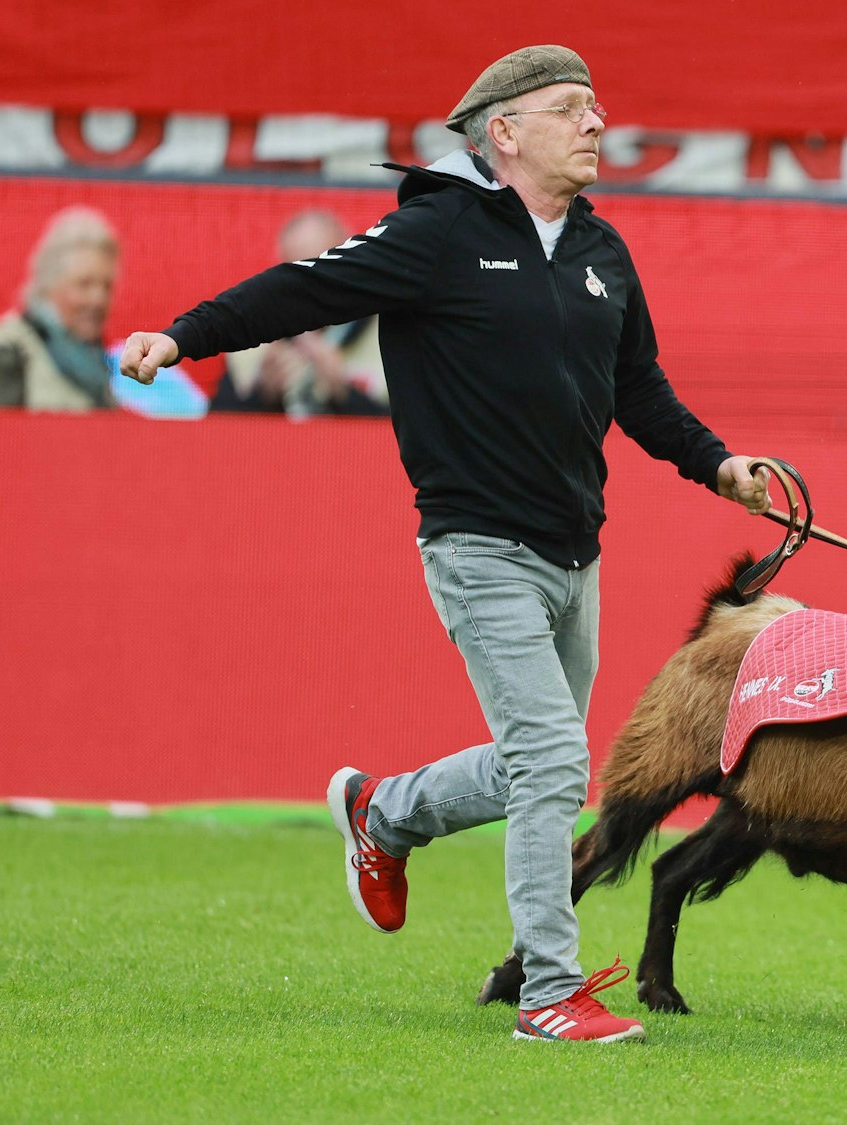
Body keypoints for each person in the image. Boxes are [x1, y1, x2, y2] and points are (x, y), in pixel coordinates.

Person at [119, 44, 771, 1042]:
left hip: (574, 555)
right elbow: (305, 286)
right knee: (555, 762)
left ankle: (385, 814)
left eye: (597, 109)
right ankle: (550, 992)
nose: (598, 125)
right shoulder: (436, 231)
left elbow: (639, 394)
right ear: (503, 133)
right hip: (478, 549)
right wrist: (183, 335)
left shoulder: (601, 253)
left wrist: (717, 466)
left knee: (536, 766)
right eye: (571, 109)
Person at [0, 206, 121, 411]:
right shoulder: (5, 356)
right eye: (84, 285)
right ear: (48, 285)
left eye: (107, 286)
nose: (99, 299)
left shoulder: (97, 366)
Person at [210, 209, 391, 418]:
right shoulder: (254, 338)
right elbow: (217, 429)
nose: (315, 289)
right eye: (300, 275)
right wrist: (263, 396)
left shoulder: (391, 331)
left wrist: (344, 394)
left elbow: (415, 434)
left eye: (328, 269)